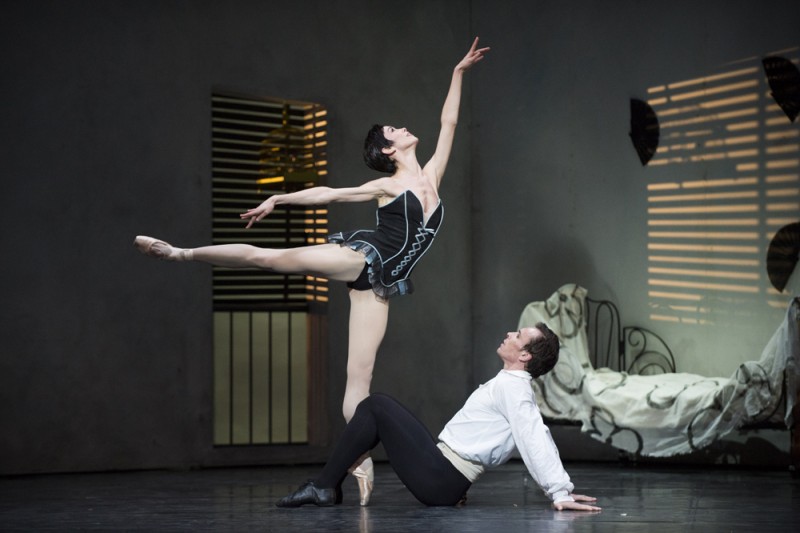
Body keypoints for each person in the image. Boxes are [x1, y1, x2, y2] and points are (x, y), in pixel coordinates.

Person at [134, 37, 490, 506]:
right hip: (361, 258)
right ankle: (180, 253)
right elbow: (329, 194)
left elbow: (450, 121)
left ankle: (356, 460)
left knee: (358, 383)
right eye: (395, 130)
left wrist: (458, 72)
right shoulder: (385, 184)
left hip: (380, 288)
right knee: (271, 259)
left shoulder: (434, 176)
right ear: (387, 149)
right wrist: (279, 198)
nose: (404, 128)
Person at [275, 322, 602, 512]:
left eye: (518, 335)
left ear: (525, 355)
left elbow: (534, 435)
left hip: (442, 479)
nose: (509, 334)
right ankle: (325, 486)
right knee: (376, 410)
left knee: (376, 406)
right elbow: (537, 432)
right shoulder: (510, 384)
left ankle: (323, 487)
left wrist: (559, 492)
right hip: (444, 475)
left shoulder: (515, 389)